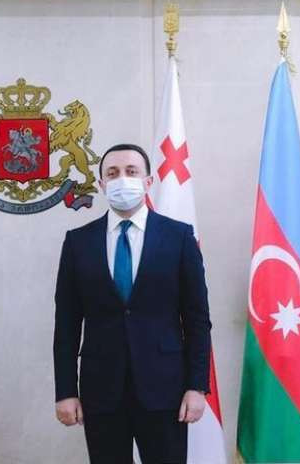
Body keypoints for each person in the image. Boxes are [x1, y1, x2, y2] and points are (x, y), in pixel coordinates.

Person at [53, 143, 211, 463]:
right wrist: (66, 391)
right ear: (101, 184)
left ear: (147, 181)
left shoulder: (178, 237)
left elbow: (197, 319)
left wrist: (197, 386)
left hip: (165, 389)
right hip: (101, 390)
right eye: (112, 173)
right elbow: (66, 325)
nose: (122, 179)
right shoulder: (78, 242)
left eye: (131, 171)